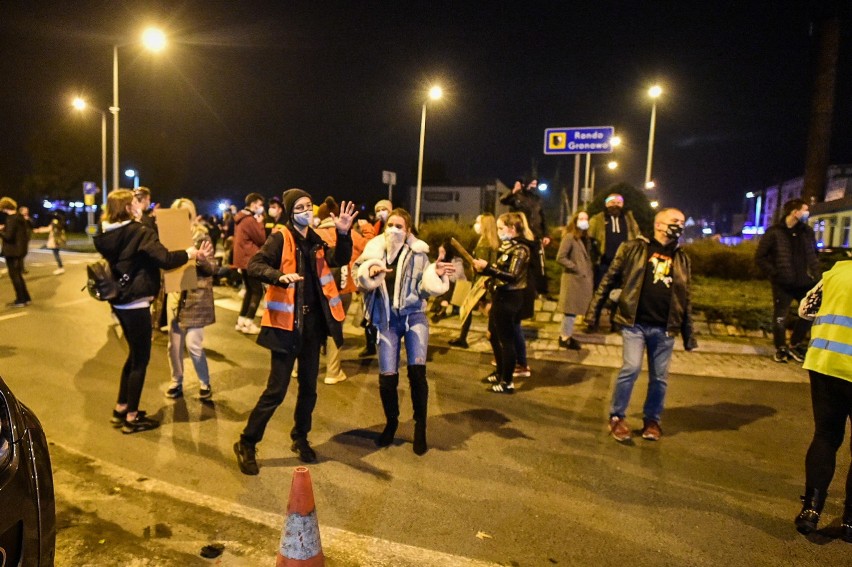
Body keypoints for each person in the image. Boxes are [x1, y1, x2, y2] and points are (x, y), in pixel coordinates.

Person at [234, 189, 356, 473]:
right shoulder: (281, 237)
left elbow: (339, 259)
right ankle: (247, 442)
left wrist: (344, 233)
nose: (306, 210)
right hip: (286, 327)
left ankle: (300, 437)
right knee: (276, 391)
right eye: (300, 206)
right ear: (291, 212)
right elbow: (255, 265)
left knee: (309, 389)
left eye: (309, 205)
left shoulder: (315, 239)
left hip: (312, 328)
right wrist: (279, 277)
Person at [94, 189, 211, 434]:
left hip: (120, 300)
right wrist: (189, 253)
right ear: (127, 208)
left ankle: (121, 408)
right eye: (134, 203)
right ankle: (132, 418)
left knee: (132, 356)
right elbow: (166, 259)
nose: (138, 206)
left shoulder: (105, 232)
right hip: (136, 302)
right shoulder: (139, 232)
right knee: (140, 361)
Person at [587, 207, 696, 442]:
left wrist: (689, 335)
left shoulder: (682, 257)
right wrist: (592, 313)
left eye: (683, 221)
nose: (680, 225)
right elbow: (608, 280)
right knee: (631, 368)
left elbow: (686, 297)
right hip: (634, 323)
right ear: (659, 224)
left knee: (660, 378)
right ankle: (617, 417)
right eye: (675, 220)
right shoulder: (634, 248)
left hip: (665, 328)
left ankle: (652, 420)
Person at [356, 208, 453, 454]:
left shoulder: (418, 254)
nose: (394, 230)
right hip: (386, 319)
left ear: (408, 230)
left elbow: (425, 286)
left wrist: (436, 275)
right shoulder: (373, 253)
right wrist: (370, 274)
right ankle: (391, 423)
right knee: (387, 376)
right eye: (390, 225)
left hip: (413, 317)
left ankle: (420, 427)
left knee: (417, 373)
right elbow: (360, 282)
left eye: (399, 226)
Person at [794, 259, 852, 540]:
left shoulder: (837, 272)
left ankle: (811, 511)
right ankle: (850, 522)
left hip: (826, 365)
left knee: (826, 437)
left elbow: (805, 310)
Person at [313, 196, 374, 384]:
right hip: (342, 289)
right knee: (335, 329)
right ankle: (333, 372)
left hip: (317, 290)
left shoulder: (312, 234)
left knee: (313, 329)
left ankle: (302, 369)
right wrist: (367, 229)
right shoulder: (350, 235)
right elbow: (370, 248)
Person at [164, 198, 217, 401]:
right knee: (174, 345)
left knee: (194, 344)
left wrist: (202, 260)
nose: (181, 220)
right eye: (176, 215)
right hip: (175, 294)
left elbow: (212, 268)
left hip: (196, 296)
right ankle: (176, 381)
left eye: (185, 215)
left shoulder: (201, 236)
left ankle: (204, 382)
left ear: (192, 215)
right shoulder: (168, 237)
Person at [755, 198, 820, 363]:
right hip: (783, 284)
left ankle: (795, 344)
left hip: (806, 283)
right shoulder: (774, 232)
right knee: (780, 317)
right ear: (794, 212)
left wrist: (815, 274)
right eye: (805, 210)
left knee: (808, 313)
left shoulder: (807, 232)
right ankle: (781, 348)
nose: (807, 213)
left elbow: (814, 253)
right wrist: (775, 274)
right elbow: (760, 257)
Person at [476, 212, 531, 394]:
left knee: (506, 341)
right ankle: (500, 372)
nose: (498, 232)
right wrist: (488, 275)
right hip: (500, 295)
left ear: (512, 228)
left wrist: (488, 269)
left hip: (510, 298)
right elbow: (500, 271)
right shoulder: (508, 247)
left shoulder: (520, 249)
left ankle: (507, 381)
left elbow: (512, 276)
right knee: (493, 335)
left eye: (501, 228)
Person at [587, 193, 640, 331]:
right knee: (599, 293)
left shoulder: (628, 219)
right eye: (612, 202)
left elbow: (636, 236)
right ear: (606, 204)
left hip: (624, 264)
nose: (615, 205)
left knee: (619, 294)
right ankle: (593, 322)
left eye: (619, 202)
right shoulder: (598, 219)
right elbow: (589, 238)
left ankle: (615, 323)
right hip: (604, 262)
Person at [449, 214, 500, 348]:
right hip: (484, 281)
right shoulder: (491, 241)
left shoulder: (485, 243)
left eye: (479, 222)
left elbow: (482, 265)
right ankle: (464, 337)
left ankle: (468, 338)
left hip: (481, 282)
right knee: (472, 307)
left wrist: (475, 266)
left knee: (472, 307)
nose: (476, 225)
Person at [500, 178, 550, 297]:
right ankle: (527, 288)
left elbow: (542, 216)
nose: (534, 186)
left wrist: (546, 234)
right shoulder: (517, 196)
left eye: (535, 184)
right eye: (531, 183)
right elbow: (503, 200)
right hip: (523, 235)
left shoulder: (537, 199)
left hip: (536, 235)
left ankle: (540, 290)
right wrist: (513, 191)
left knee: (538, 263)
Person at [556, 211, 594, 350]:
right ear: (575, 220)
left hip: (580, 280)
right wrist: (576, 268)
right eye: (581, 218)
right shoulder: (570, 237)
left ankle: (566, 335)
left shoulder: (585, 238)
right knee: (570, 311)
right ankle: (565, 337)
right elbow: (560, 257)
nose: (584, 221)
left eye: (586, 218)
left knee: (572, 311)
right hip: (572, 280)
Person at [233, 192, 267, 334]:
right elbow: (261, 238)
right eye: (260, 205)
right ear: (253, 205)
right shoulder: (250, 220)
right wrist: (260, 223)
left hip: (243, 260)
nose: (261, 208)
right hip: (250, 260)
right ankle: (249, 322)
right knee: (257, 291)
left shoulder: (240, 218)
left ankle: (241, 321)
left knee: (249, 291)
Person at [0, 197, 32, 307]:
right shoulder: (20, 217)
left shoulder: (11, 219)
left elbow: (9, 237)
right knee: (19, 275)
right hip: (20, 251)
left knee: (15, 276)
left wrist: (1, 231)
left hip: (12, 251)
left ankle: (20, 300)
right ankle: (26, 298)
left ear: (4, 207)